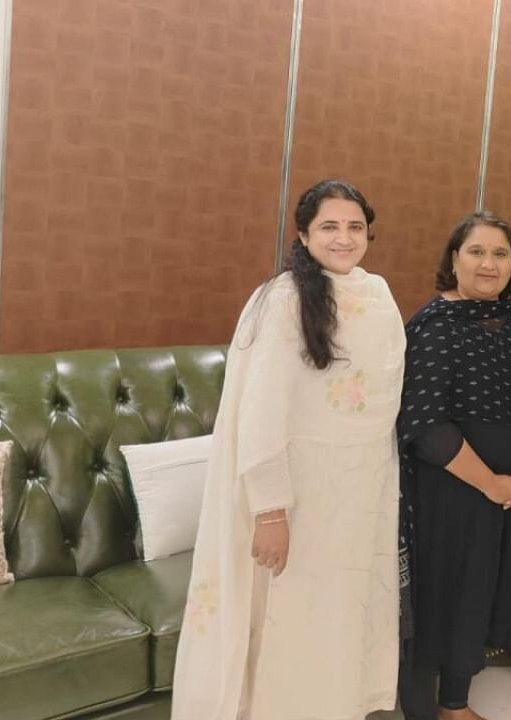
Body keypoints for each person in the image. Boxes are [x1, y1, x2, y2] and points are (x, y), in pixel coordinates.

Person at [172, 180, 404, 720]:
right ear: (303, 234)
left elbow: (383, 408)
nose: (344, 238)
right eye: (329, 226)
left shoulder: (379, 296)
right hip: (300, 495)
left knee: (339, 617)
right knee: (290, 622)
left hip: (360, 492)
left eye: (354, 226)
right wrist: (270, 510)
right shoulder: (283, 300)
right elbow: (261, 413)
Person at [397, 212, 511, 720]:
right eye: (476, 252)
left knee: (488, 589)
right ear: (454, 259)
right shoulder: (433, 324)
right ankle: (443, 706)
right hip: (455, 489)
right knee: (452, 592)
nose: (489, 264)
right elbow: (424, 425)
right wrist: (490, 484)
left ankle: (455, 700)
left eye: (500, 254)